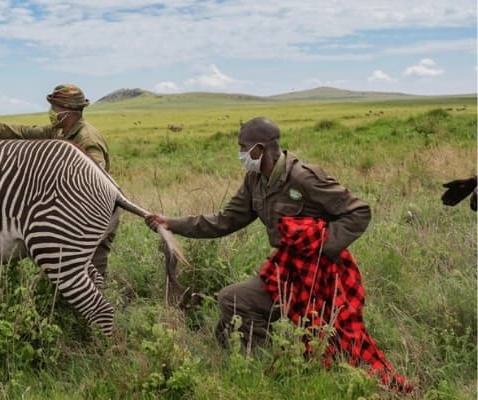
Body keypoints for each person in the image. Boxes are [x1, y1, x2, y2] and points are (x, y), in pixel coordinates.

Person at [146, 117, 410, 391]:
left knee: (337, 339)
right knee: (233, 300)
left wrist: (322, 247)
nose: (240, 155)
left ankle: (293, 374)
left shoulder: (304, 178)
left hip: (320, 271)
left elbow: (359, 212)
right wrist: (171, 223)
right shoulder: (254, 181)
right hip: (285, 266)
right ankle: (257, 368)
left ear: (259, 150)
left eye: (243, 148)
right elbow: (225, 220)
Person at [0, 84, 117, 288]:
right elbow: (20, 132)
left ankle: (98, 314)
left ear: (68, 111)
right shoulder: (59, 131)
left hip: (92, 213)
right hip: (73, 211)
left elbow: (93, 183)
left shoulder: (87, 139)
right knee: (67, 274)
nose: (52, 112)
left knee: (88, 276)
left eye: (56, 108)